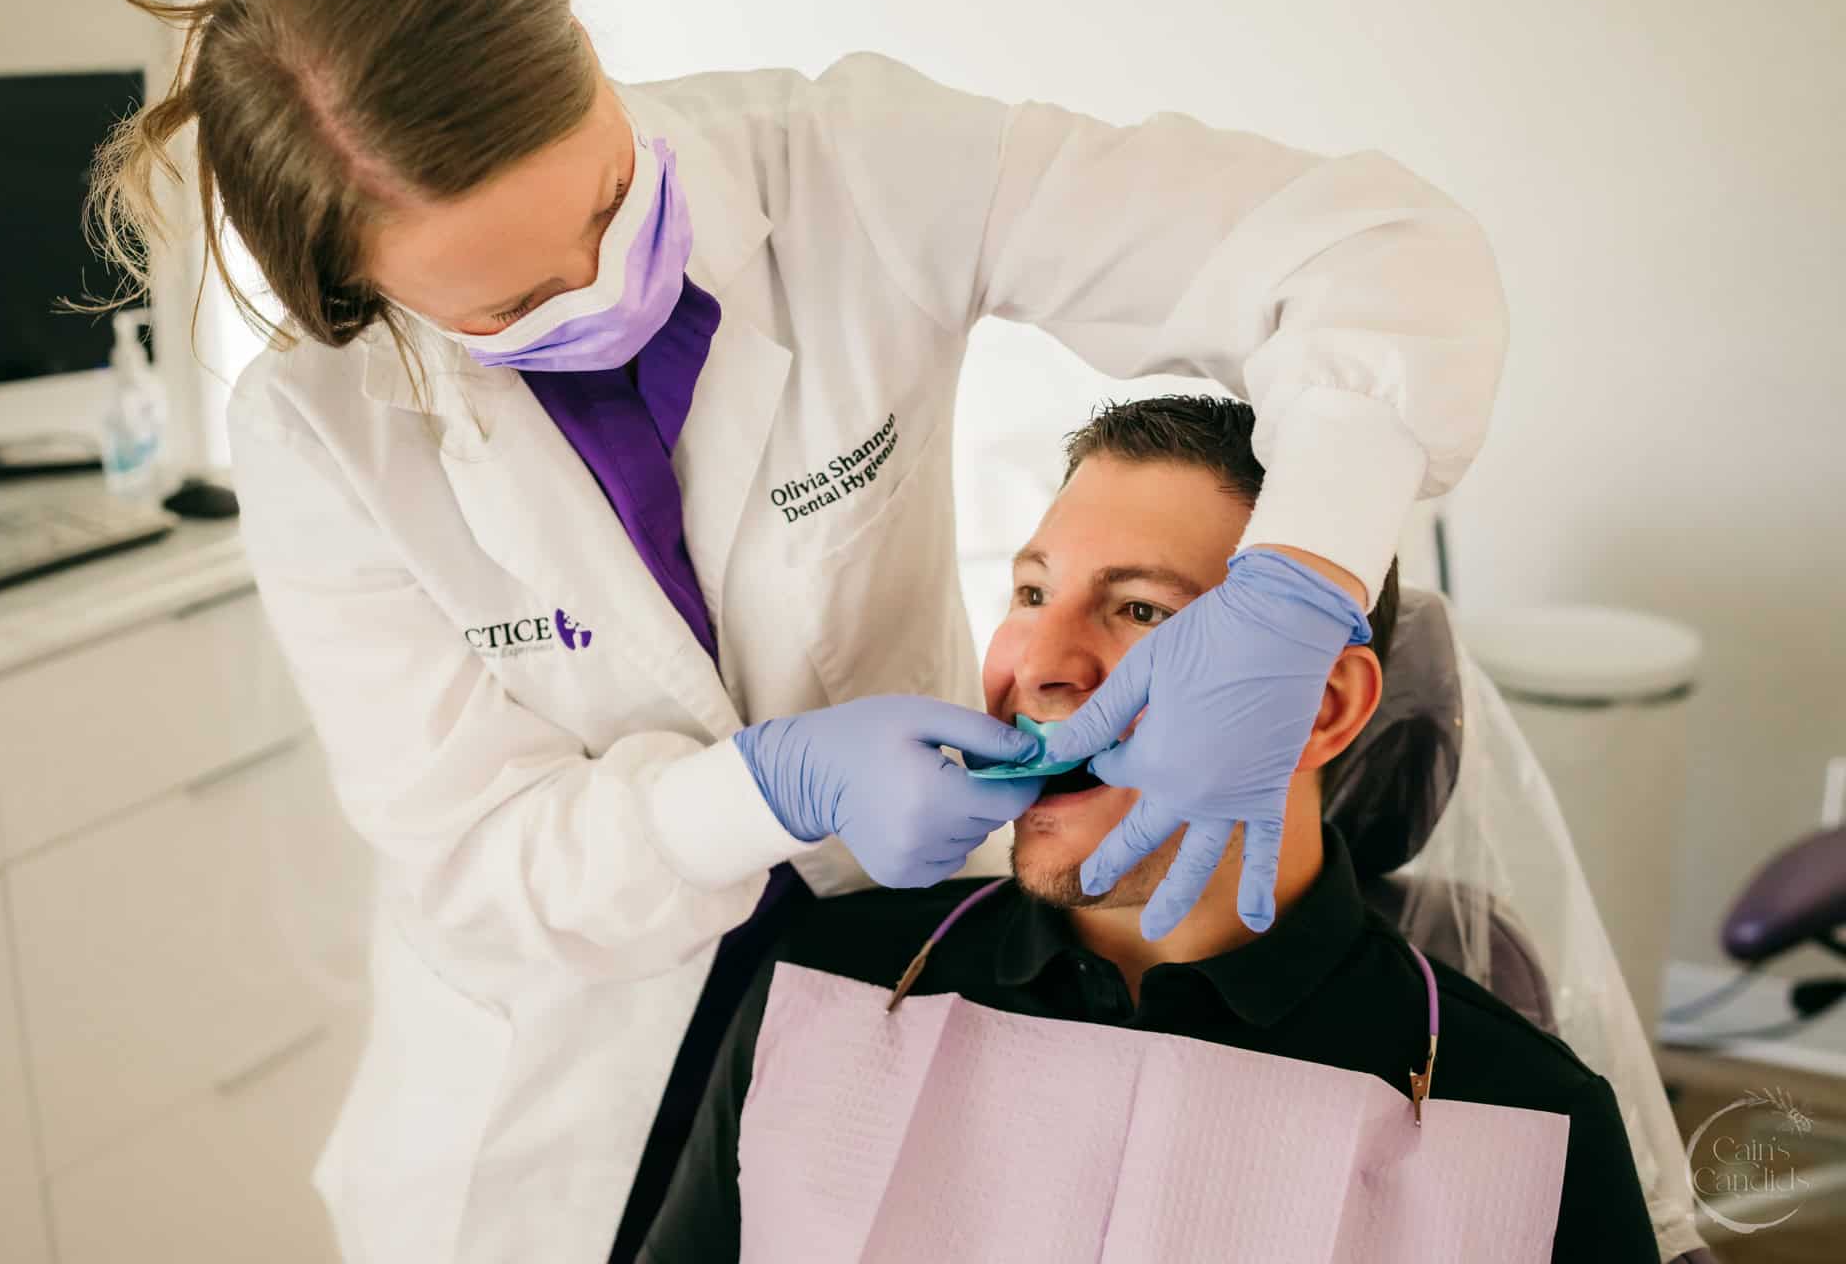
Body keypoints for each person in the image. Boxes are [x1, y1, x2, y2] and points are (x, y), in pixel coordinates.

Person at [88, 0, 1508, 1258]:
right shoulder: (320, 434)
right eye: (518, 302)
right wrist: (770, 793)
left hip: (893, 969)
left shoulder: (858, 169)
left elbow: (1381, 254)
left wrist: (1295, 587)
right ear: (366, 298)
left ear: (585, 48)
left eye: (606, 208)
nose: (599, 289)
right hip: (567, 1067)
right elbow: (475, 853)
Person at [642, 395, 1658, 1263]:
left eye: (1141, 610)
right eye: (1032, 590)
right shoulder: (833, 983)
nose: (1041, 660)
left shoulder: (1524, 1111)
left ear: (1319, 705)